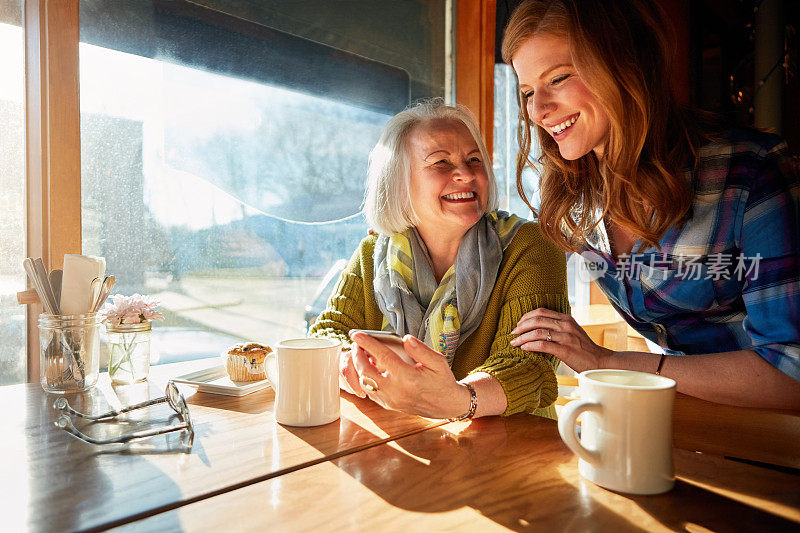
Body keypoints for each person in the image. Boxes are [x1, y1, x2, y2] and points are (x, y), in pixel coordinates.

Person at [501, 0, 800, 409]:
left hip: (767, 436)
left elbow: (792, 371)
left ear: (622, 65)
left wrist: (611, 363)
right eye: (528, 91)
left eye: (559, 78)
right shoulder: (570, 198)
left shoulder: (748, 171)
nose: (537, 110)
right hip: (669, 416)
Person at [310, 100, 570, 420]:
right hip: (405, 442)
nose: (465, 174)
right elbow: (325, 335)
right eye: (441, 162)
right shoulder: (372, 254)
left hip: (513, 451)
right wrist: (346, 362)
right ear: (399, 183)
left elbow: (532, 366)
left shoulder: (532, 245)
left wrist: (460, 399)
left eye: (474, 159)